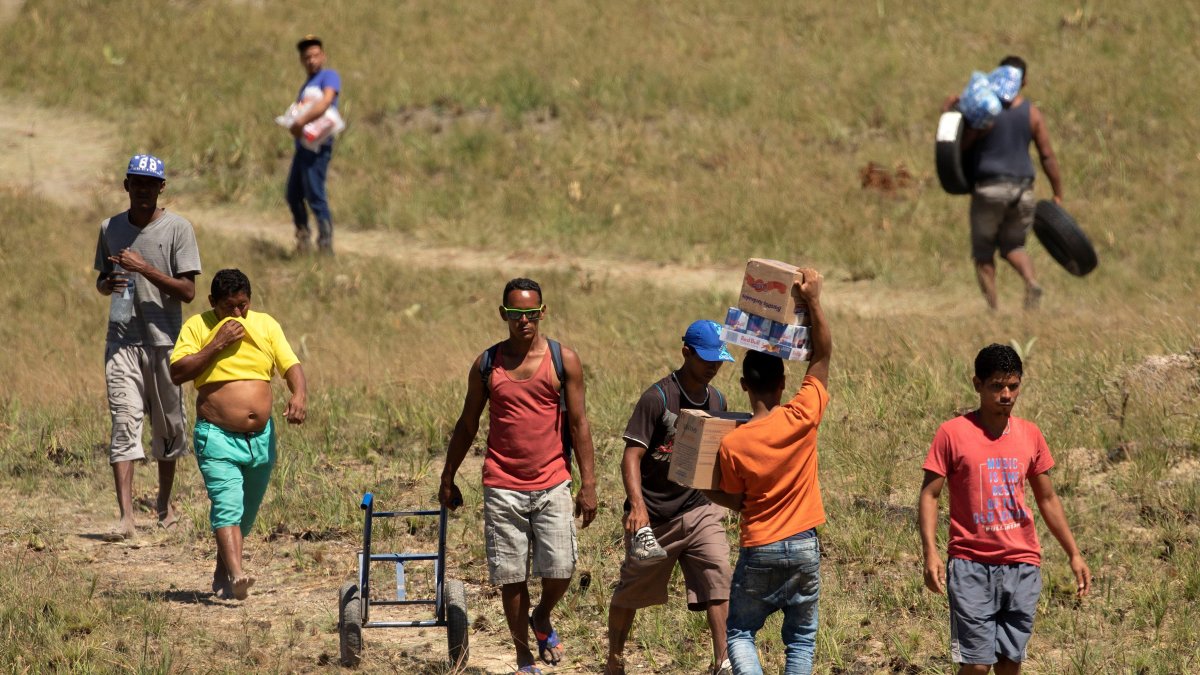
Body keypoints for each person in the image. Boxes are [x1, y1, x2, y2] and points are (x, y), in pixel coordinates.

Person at [439, 278, 598, 675]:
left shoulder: (565, 360)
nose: (523, 320)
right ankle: (524, 655)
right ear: (503, 315)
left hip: (554, 480)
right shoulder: (487, 364)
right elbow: (468, 422)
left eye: (530, 312)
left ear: (542, 312)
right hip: (501, 485)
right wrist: (448, 475)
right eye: (514, 313)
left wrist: (589, 484)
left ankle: (541, 616)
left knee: (560, 569)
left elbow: (579, 424)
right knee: (511, 577)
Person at [918, 344, 1091, 674]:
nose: (1006, 394)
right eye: (997, 386)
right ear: (977, 384)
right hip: (970, 565)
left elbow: (1048, 498)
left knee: (1010, 664)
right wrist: (931, 552)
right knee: (978, 665)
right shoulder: (952, 433)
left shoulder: (1030, 434)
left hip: (1022, 565)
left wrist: (1074, 553)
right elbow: (930, 495)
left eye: (1013, 385)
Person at [705, 268, 831, 675]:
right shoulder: (801, 416)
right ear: (782, 384)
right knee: (802, 637)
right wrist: (812, 300)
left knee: (740, 632)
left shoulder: (734, 443)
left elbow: (736, 499)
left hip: (760, 544)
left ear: (743, 385)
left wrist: (707, 491)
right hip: (805, 546)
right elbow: (823, 354)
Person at [605, 320, 737, 675]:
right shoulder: (658, 398)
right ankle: (614, 660)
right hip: (655, 515)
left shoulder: (718, 400)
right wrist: (637, 507)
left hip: (698, 509)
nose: (714, 366)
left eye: (719, 359)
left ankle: (723, 661)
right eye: (707, 358)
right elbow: (631, 455)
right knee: (630, 593)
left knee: (719, 574)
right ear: (686, 353)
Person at [170, 269, 308, 600]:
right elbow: (177, 372)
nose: (237, 314)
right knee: (227, 503)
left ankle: (223, 570)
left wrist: (299, 394)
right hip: (216, 434)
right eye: (229, 307)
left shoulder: (266, 325)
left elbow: (290, 365)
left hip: (260, 438)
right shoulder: (198, 326)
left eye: (243, 305)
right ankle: (237, 573)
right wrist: (217, 343)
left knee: (246, 510)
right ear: (212, 302)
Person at [93, 153, 201, 540]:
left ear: (161, 188)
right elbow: (104, 278)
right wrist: (108, 285)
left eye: (150, 184)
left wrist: (146, 270)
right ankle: (126, 517)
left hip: (166, 342)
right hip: (122, 339)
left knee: (168, 425)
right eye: (136, 182)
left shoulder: (178, 229)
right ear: (126, 186)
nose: (142, 190)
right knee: (124, 420)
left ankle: (164, 504)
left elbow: (188, 291)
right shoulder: (110, 228)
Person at [942, 56, 1063, 311]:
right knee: (1015, 246)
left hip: (989, 190)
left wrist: (950, 114)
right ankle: (1031, 282)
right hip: (1023, 192)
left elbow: (958, 148)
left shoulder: (985, 109)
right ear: (1024, 81)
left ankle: (993, 308)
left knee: (983, 252)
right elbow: (1047, 155)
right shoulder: (1032, 113)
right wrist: (1057, 193)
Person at [286, 34, 341, 254]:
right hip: (303, 147)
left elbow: (327, 101)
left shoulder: (329, 76)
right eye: (307, 57)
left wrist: (300, 122)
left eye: (316, 55)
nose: (312, 60)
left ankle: (325, 245)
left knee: (315, 194)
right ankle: (303, 238)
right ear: (302, 60)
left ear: (323, 56)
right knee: (293, 194)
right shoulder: (306, 85)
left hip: (318, 148)